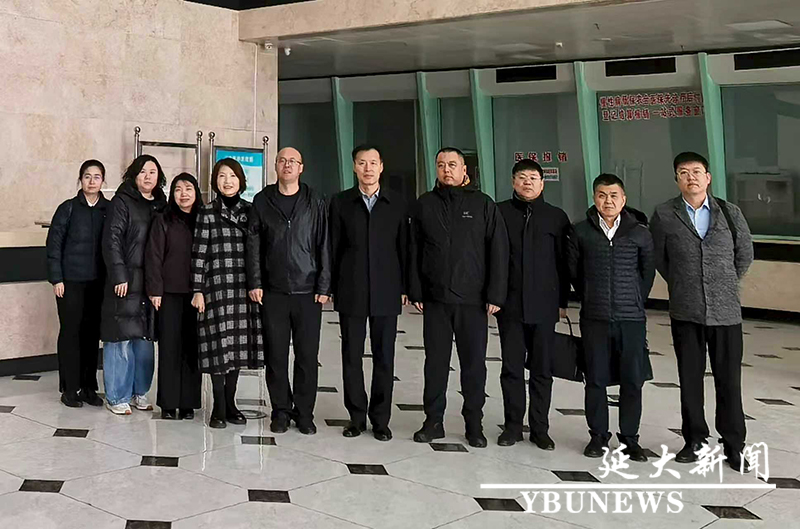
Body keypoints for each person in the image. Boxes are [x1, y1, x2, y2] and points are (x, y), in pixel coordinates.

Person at [650, 152, 754, 471]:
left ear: (708, 177)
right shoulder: (664, 214)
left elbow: (744, 254)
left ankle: (734, 445)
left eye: (696, 171)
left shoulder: (730, 212)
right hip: (686, 311)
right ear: (677, 179)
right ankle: (694, 439)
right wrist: (684, 283)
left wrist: (722, 282)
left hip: (726, 312)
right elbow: (660, 258)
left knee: (729, 380)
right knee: (690, 379)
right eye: (684, 172)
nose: (691, 177)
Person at [408, 147, 509, 448]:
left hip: (473, 300)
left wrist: (495, 294)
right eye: (441, 165)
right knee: (435, 364)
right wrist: (416, 290)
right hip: (436, 299)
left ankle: (474, 424)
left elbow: (498, 251)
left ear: (465, 170)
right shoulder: (424, 204)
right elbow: (413, 250)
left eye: (452, 165)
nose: (446, 170)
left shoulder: (483, 204)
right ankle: (433, 421)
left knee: (474, 365)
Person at [568, 173, 655, 461]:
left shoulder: (639, 232)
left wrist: (633, 299)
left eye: (614, 195)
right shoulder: (580, 231)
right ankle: (598, 437)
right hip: (594, 317)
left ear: (624, 199)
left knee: (632, 380)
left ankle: (630, 439)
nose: (608, 201)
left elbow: (647, 273)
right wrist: (592, 296)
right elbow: (574, 272)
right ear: (594, 198)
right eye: (602, 195)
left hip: (631, 319)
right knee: (595, 379)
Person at [246, 147, 331, 435]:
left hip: (308, 291)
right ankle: (280, 411)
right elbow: (253, 244)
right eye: (282, 160)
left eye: (293, 161)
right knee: (276, 356)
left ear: (301, 167)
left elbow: (324, 242)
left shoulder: (315, 200)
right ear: (275, 165)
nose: (287, 165)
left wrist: (324, 284)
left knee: (307, 356)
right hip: (273, 291)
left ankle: (304, 413)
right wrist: (255, 282)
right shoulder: (262, 200)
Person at [329, 144, 408, 442]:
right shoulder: (341, 202)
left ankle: (381, 420)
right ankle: (356, 417)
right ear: (354, 167)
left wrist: (405, 288)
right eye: (362, 163)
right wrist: (330, 286)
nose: (368, 168)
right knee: (351, 355)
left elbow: (406, 248)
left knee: (384, 357)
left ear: (381, 166)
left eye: (373, 163)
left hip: (387, 290)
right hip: (351, 289)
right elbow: (333, 247)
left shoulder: (397, 203)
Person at [496, 159, 571, 449]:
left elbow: (564, 264)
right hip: (510, 305)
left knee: (542, 370)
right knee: (511, 368)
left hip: (545, 305)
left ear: (542, 183)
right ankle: (513, 426)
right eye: (522, 177)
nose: (527, 182)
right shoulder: (500, 213)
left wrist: (562, 301)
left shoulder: (556, 217)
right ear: (513, 182)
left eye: (533, 178)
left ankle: (540, 428)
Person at [192, 159, 264, 429]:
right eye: (222, 176)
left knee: (236, 349)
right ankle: (218, 406)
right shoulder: (207, 212)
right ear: (215, 181)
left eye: (232, 176)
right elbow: (199, 254)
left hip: (243, 289)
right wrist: (197, 290)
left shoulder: (251, 210)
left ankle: (231, 404)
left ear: (241, 180)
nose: (227, 181)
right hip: (216, 289)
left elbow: (257, 252)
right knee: (218, 349)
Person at [100, 155, 167, 415]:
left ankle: (140, 392)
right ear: (134, 175)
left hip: (151, 282)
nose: (148, 176)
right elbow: (112, 239)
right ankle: (117, 396)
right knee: (120, 338)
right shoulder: (122, 201)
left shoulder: (161, 204)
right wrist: (119, 275)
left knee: (144, 340)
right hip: (126, 281)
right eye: (143, 172)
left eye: (153, 172)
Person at [46, 160, 109, 408]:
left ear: (103, 181)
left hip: (98, 284)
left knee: (92, 335)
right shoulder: (68, 208)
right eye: (87, 176)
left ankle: (89, 388)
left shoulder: (109, 209)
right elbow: (54, 246)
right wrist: (57, 278)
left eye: (97, 177)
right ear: (80, 180)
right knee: (71, 333)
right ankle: (69, 389)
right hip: (70, 282)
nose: (92, 181)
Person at [145, 173, 203, 420]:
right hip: (168, 294)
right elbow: (154, 256)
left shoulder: (203, 220)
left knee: (192, 349)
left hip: (196, 295)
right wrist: (155, 290)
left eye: (188, 188)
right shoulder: (163, 220)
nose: (183, 194)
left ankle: (188, 402)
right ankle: (168, 403)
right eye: (178, 189)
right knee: (169, 348)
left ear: (196, 192)